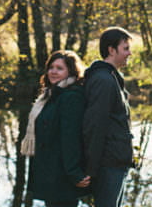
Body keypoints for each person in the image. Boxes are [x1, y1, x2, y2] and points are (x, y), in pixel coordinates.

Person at [21, 50, 91, 207]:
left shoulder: (71, 96)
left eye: (60, 68)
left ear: (71, 71)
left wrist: (74, 174)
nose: (53, 71)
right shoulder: (51, 95)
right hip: (51, 172)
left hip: (63, 176)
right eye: (51, 67)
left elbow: (71, 137)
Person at [82, 27, 135, 207]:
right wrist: (90, 169)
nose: (130, 53)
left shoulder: (111, 78)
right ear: (111, 50)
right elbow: (95, 125)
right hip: (107, 164)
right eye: (125, 48)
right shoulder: (103, 80)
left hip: (116, 161)